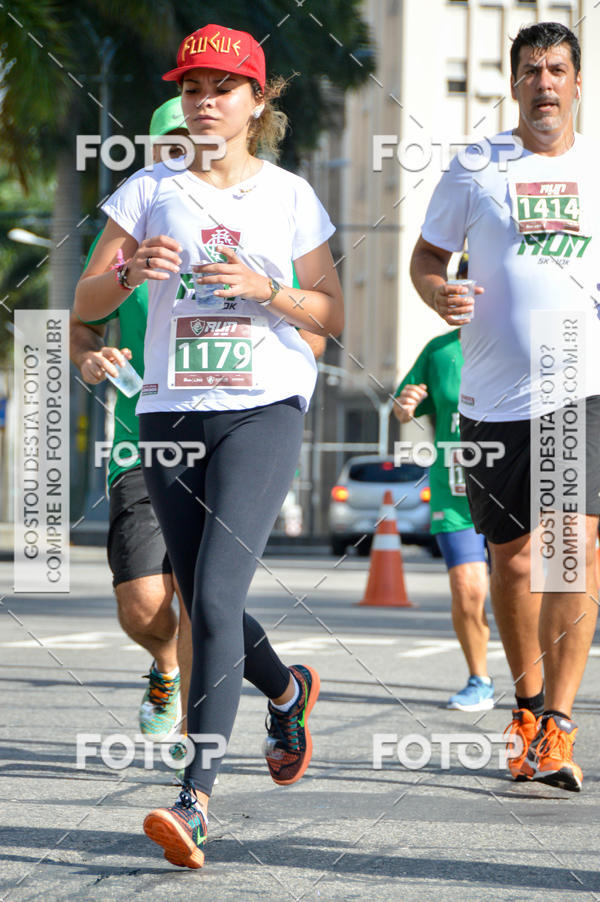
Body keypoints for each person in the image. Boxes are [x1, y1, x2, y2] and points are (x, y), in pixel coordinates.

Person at [74, 23, 343, 868]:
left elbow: (332, 315)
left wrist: (270, 289)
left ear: (257, 104)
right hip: (170, 413)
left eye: (223, 88)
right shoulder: (148, 189)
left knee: (216, 598)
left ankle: (194, 799)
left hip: (261, 408)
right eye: (192, 88)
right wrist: (126, 273)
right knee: (199, 600)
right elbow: (85, 302)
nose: (205, 102)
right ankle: (287, 687)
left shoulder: (291, 195)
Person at [410, 22, 600, 792]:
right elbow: (425, 259)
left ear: (578, 82)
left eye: (557, 69)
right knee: (514, 561)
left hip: (578, 386)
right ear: (514, 82)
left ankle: (557, 721)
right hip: (491, 397)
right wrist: (438, 294)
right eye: (531, 71)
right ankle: (523, 708)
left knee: (574, 550)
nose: (544, 83)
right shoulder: (476, 165)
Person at [71, 98, 192, 743]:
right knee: (143, 603)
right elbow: (82, 324)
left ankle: (203, 752)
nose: (182, 150)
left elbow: (304, 319)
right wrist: (94, 359)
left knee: (206, 598)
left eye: (192, 139)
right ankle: (165, 665)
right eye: (167, 142)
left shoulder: (251, 218)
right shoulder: (127, 231)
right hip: (139, 439)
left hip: (226, 435)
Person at [394, 256, 493, 712]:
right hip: (456, 491)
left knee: (528, 588)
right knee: (468, 589)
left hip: (521, 487)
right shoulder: (439, 351)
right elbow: (401, 405)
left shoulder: (530, 348)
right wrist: (406, 403)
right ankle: (480, 679)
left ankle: (537, 685)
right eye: (465, 284)